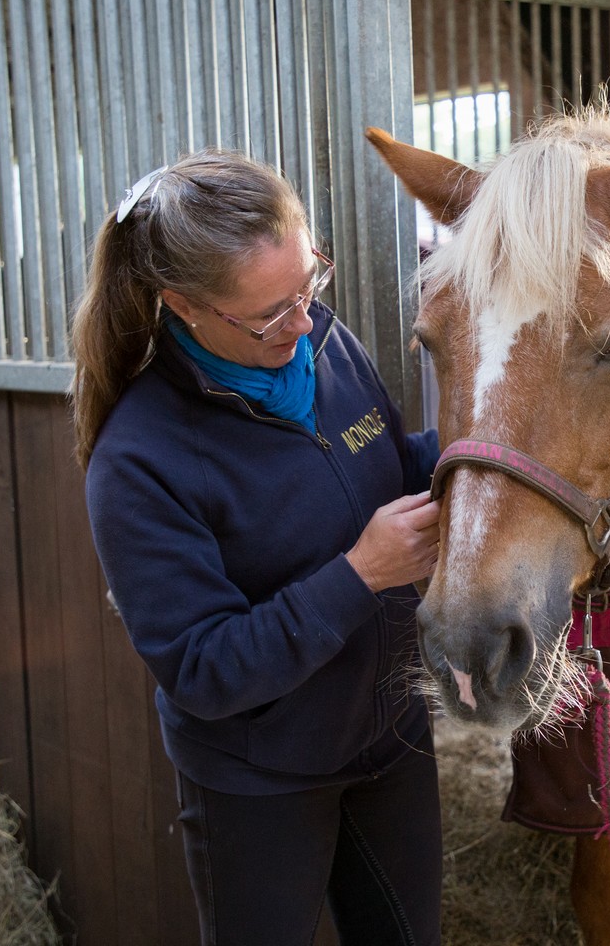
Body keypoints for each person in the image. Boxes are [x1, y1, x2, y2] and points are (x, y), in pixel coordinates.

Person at [71, 149, 444, 946]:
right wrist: (361, 575)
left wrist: (484, 458)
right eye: (271, 313)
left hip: (391, 730)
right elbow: (203, 669)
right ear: (183, 305)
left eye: (309, 286)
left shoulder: (325, 346)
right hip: (261, 776)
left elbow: (389, 467)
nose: (302, 323)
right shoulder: (139, 458)